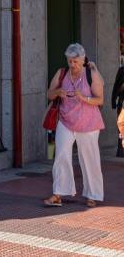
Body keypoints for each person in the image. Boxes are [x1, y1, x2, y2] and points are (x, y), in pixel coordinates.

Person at [43, 43, 105, 208]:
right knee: (61, 155)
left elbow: (100, 100)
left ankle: (92, 195)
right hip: (66, 121)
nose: (72, 65)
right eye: (70, 61)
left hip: (89, 123)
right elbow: (49, 94)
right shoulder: (61, 73)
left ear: (83, 60)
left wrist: (84, 98)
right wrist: (57, 92)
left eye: (76, 61)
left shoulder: (92, 75)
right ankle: (58, 194)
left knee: (89, 159)